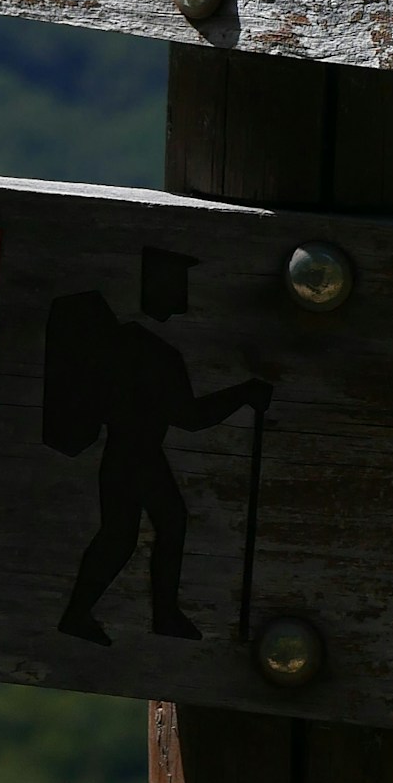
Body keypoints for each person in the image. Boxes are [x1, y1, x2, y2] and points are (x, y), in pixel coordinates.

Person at [43, 251, 270, 644]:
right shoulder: (151, 352)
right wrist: (244, 394)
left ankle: (102, 613)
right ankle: (147, 614)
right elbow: (190, 417)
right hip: (137, 456)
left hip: (126, 455)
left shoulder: (123, 345)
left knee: (131, 532)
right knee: (140, 530)